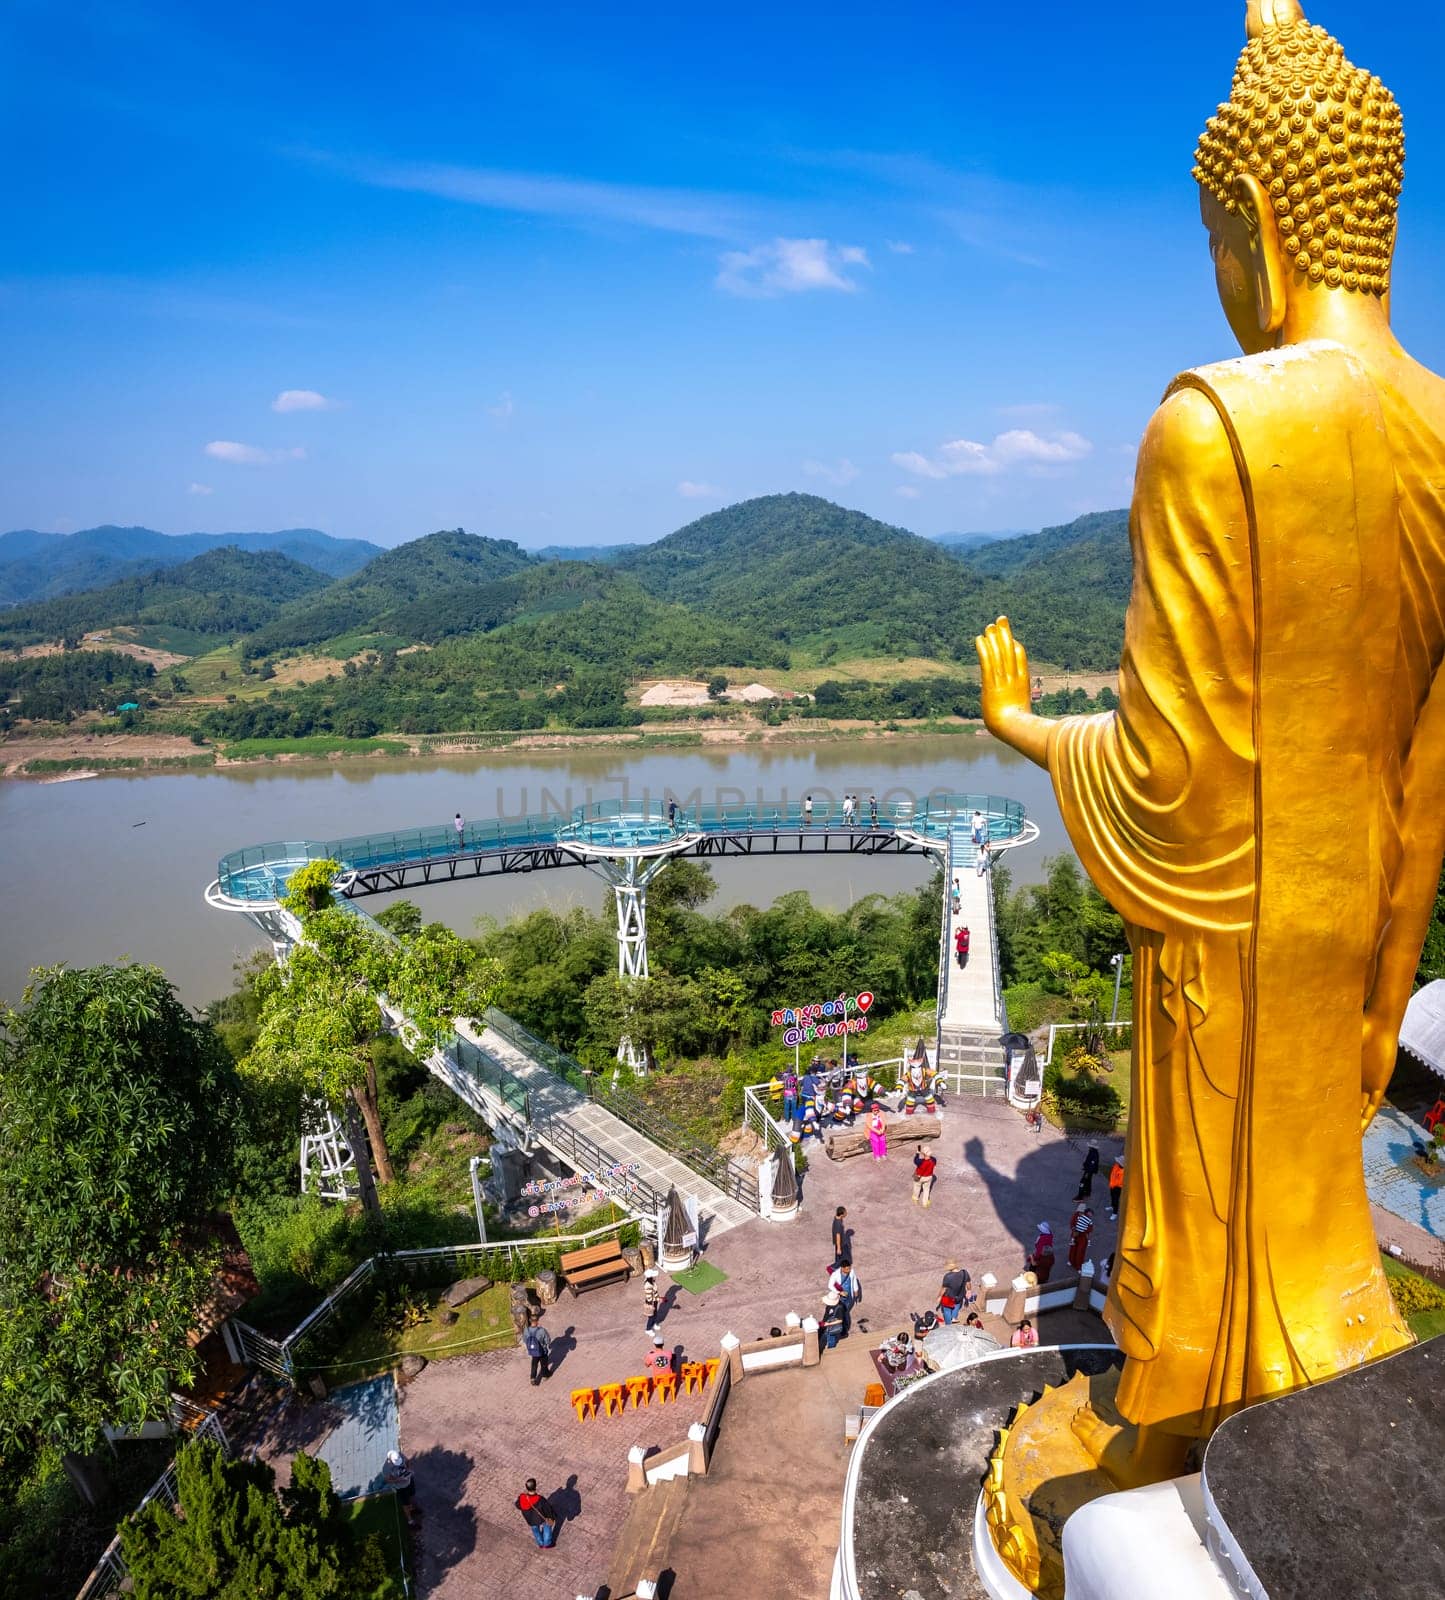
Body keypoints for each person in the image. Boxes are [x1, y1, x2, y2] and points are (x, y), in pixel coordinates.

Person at [974, 3, 1440, 1456]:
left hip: (1228, 933)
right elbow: (1428, 778)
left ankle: (1171, 1432)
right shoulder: (1438, 427)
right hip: (1355, 910)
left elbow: (1164, 776)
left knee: (1214, 1251)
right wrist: (1385, 971)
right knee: (1312, 1230)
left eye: (1214, 238)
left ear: (1253, 217)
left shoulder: (1217, 422)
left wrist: (1026, 731)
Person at [515, 1478, 558, 1549]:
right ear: (535, 1487)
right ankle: (546, 1544)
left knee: (535, 1530)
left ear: (527, 1487)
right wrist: (552, 1517)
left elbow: (517, 1505)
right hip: (541, 1518)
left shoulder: (522, 1497)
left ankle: (540, 1543)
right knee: (547, 1527)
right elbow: (548, 1510)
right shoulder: (540, 1499)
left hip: (530, 1519)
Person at [383, 1449, 417, 1527]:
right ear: (390, 1460)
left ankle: (412, 1509)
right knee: (405, 1504)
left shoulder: (400, 1455)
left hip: (409, 1481)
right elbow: (388, 1480)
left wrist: (408, 1470)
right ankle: (410, 1521)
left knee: (412, 1495)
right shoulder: (386, 1468)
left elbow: (407, 1461)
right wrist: (399, 1479)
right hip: (400, 1488)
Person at [523, 1312, 552, 1384]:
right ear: (537, 1321)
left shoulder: (526, 1330)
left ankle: (533, 1377)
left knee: (534, 1364)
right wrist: (546, 1345)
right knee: (544, 1364)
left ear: (530, 1320)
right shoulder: (542, 1330)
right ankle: (545, 1375)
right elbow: (548, 1340)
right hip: (542, 1351)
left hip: (533, 1351)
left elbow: (525, 1340)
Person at [1068, 1203, 1095, 1271]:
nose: (1080, 1213)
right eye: (1079, 1212)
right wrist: (1074, 1229)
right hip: (1075, 1234)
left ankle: (1078, 1265)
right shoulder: (1075, 1215)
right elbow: (1072, 1223)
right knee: (1073, 1249)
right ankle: (1071, 1261)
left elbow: (1090, 1229)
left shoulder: (1087, 1218)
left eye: (1081, 1212)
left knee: (1080, 1252)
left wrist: (1083, 1229)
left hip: (1083, 1237)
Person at [642, 1267, 661, 1334]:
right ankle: (648, 1329)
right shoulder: (648, 1285)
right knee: (651, 1316)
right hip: (651, 1302)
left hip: (654, 1300)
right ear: (650, 1277)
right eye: (653, 1276)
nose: (654, 1276)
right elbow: (649, 1297)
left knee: (655, 1314)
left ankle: (654, 1324)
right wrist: (653, 1303)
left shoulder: (651, 1281)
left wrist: (658, 1298)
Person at [1108, 1156, 1125, 1220]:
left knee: (1116, 1200)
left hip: (1118, 1187)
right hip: (1112, 1185)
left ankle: (1115, 1213)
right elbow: (1112, 1174)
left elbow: (1119, 1181)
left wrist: (1113, 1185)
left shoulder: (1123, 1172)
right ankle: (1112, 1206)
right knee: (1112, 1197)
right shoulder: (1116, 1165)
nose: (1117, 1162)